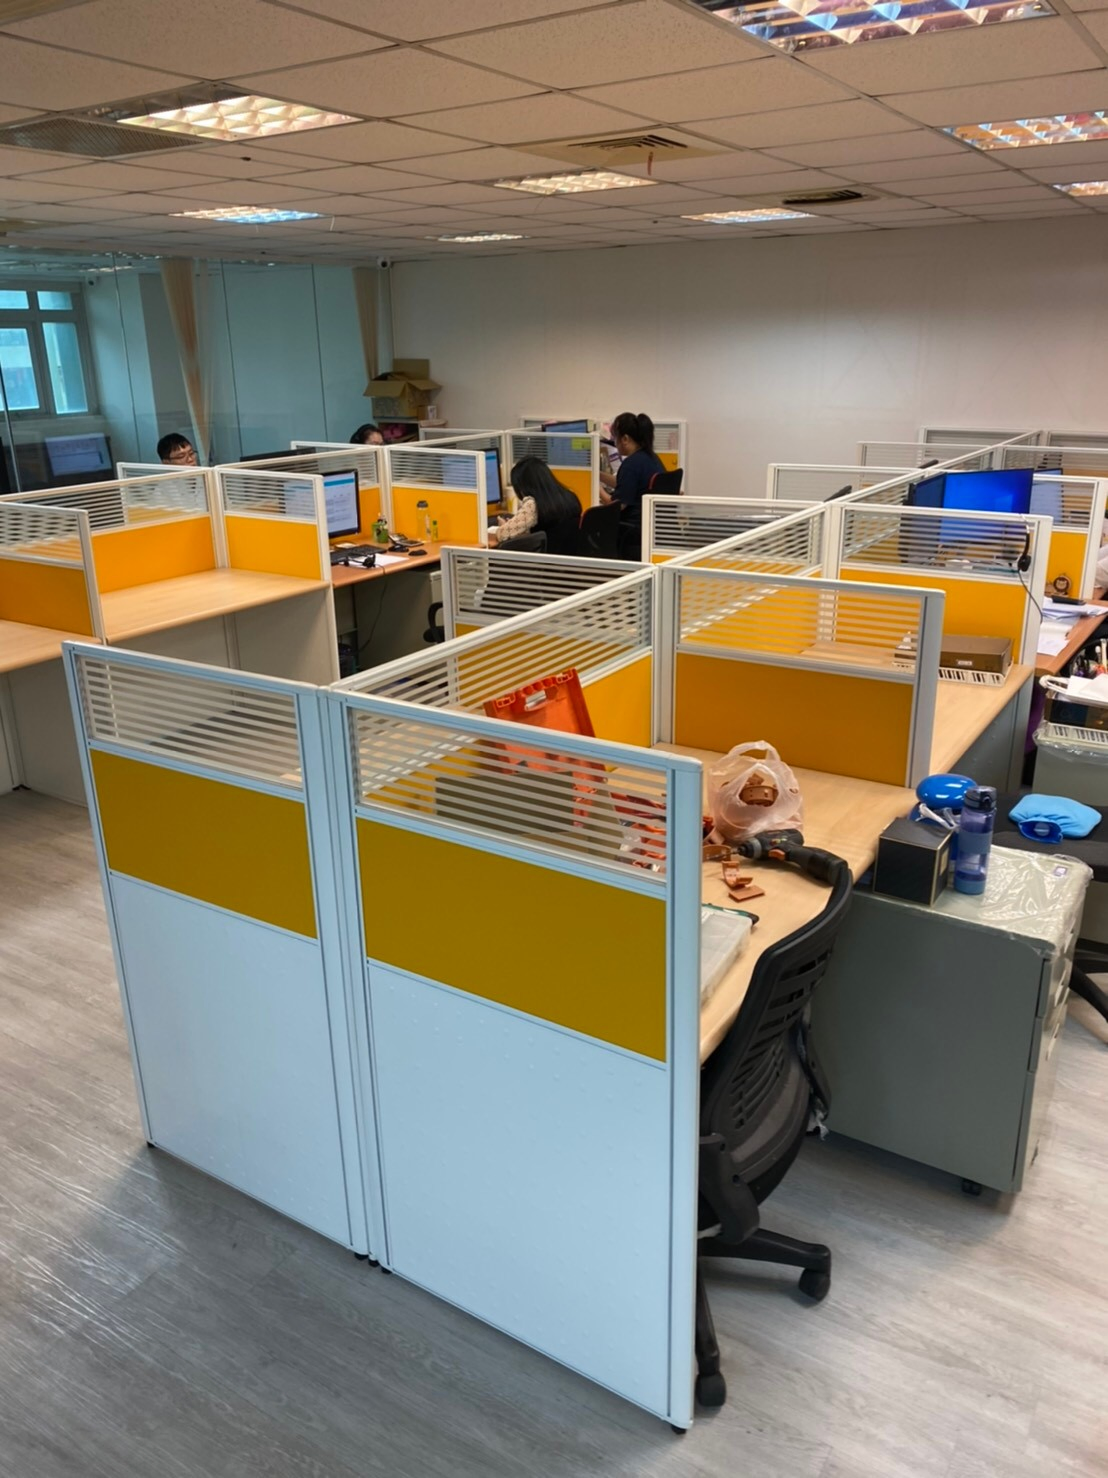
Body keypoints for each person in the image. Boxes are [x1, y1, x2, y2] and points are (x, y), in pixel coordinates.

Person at [599, 412, 665, 559]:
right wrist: (599, 475)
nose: (614, 442)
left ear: (625, 439)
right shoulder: (651, 458)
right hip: (651, 527)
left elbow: (616, 506)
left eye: (615, 437)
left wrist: (598, 490)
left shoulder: (631, 464)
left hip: (632, 530)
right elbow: (626, 483)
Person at [488, 456, 581, 554]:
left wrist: (505, 526)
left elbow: (502, 534)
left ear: (523, 486)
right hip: (568, 558)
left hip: (545, 559)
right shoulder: (570, 496)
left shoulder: (533, 504)